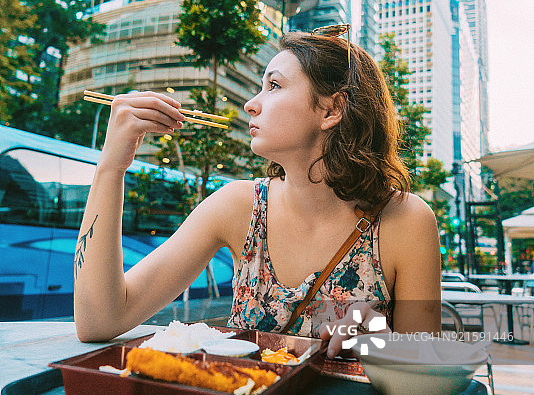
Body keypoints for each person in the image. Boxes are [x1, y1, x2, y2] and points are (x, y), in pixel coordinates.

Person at [74, 31, 441, 357]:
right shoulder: (238, 206)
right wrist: (111, 166)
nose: (252, 103)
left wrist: (378, 333)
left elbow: (428, 367)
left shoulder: (405, 221)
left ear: (332, 109)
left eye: (274, 86)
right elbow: (99, 321)